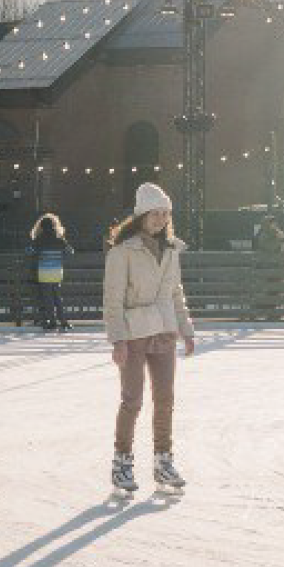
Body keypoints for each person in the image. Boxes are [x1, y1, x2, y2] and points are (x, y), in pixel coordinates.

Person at [103, 182, 195, 496]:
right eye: (155, 213)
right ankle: (122, 463)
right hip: (132, 333)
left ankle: (163, 461)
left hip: (165, 330)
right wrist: (117, 340)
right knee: (132, 400)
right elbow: (112, 299)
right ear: (142, 215)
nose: (161, 218)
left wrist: (187, 329)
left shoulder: (171, 250)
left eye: (165, 213)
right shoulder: (122, 252)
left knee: (165, 399)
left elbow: (175, 292)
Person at [27, 212, 74, 331]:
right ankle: (63, 321)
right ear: (54, 226)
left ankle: (52, 321)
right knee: (58, 298)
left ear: (41, 227)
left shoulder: (39, 239)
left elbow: (29, 251)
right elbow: (70, 251)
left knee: (47, 299)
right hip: (57, 273)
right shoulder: (59, 239)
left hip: (44, 273)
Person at [249, 213, 284, 321]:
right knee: (267, 290)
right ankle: (258, 311)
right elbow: (270, 247)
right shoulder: (263, 234)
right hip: (266, 267)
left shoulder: (277, 233)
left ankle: (271, 313)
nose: (275, 225)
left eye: (275, 222)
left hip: (277, 266)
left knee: (274, 291)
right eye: (272, 223)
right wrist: (280, 239)